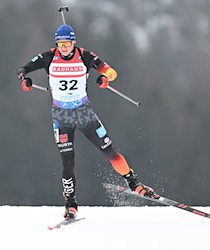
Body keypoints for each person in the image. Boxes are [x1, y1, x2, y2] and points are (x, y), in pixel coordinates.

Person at [16, 24, 154, 220]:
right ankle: (70, 204)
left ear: (74, 42)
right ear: (57, 44)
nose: (64, 48)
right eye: (61, 44)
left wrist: (105, 77)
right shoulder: (48, 57)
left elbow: (111, 71)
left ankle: (134, 183)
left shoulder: (84, 56)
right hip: (62, 115)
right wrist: (24, 79)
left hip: (84, 113)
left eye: (67, 43)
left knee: (109, 151)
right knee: (68, 162)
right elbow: (22, 69)